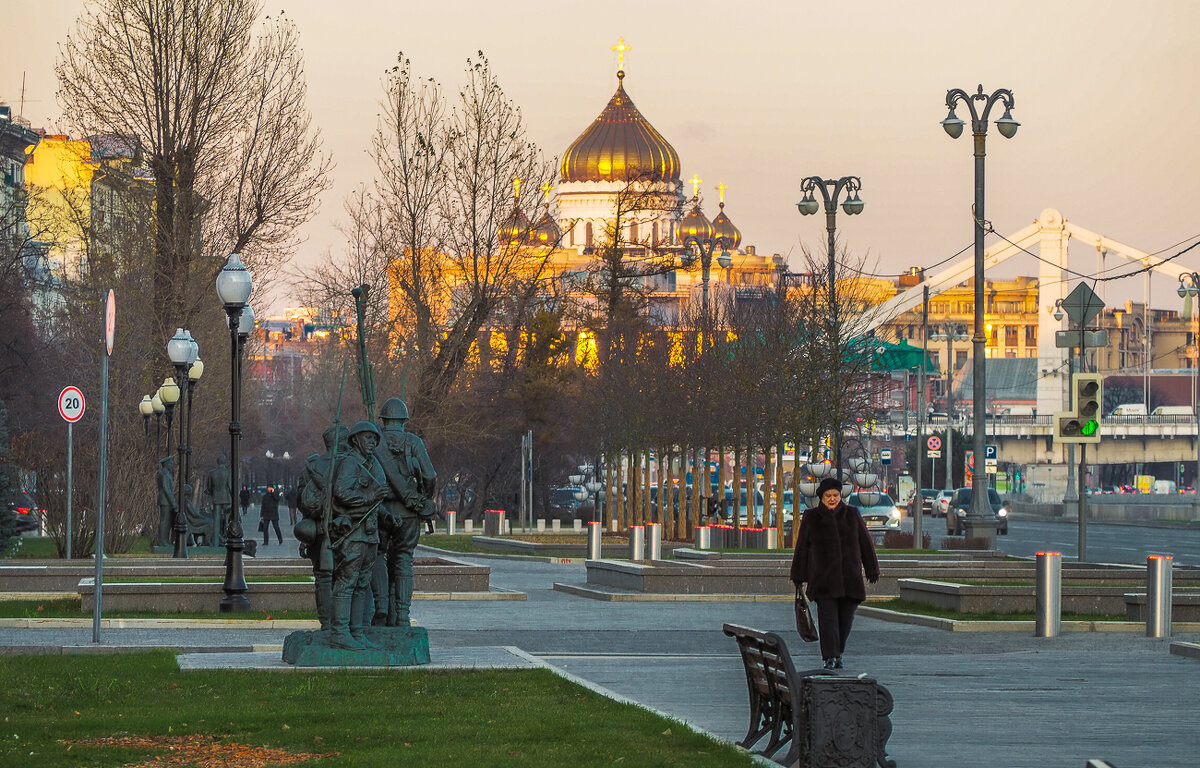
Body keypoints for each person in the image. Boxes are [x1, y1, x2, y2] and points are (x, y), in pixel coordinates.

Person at [790, 477, 880, 670]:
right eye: (828, 496)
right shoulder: (811, 517)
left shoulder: (852, 514)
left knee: (845, 622)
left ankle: (837, 652)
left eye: (836, 495)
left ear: (841, 496)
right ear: (821, 497)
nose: (832, 499)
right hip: (824, 579)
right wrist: (798, 575)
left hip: (850, 579)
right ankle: (830, 657)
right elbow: (802, 548)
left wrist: (872, 568)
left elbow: (865, 543)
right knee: (828, 621)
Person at [372, 397, 437, 627]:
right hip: (408, 512)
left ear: (384, 419)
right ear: (403, 420)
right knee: (404, 561)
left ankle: (379, 609)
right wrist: (424, 499)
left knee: (377, 557)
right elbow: (430, 476)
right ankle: (401, 616)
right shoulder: (414, 442)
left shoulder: (373, 441)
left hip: (377, 510)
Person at [330, 421, 388, 650]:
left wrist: (385, 514)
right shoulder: (350, 463)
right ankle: (339, 633)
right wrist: (370, 496)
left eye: (375, 439)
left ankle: (357, 632)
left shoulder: (372, 464)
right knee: (347, 582)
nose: (372, 442)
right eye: (368, 438)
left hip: (370, 532)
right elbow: (341, 493)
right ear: (356, 439)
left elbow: (376, 498)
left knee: (362, 583)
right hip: (353, 531)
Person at [295, 424, 348, 633]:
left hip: (317, 528)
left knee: (323, 578)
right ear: (343, 442)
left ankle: (326, 624)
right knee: (345, 577)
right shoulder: (349, 464)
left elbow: (301, 499)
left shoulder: (311, 465)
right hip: (345, 529)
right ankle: (341, 626)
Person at [205, 454, 232, 545]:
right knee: (228, 519)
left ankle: (216, 542)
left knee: (216, 519)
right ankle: (227, 539)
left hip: (216, 498)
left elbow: (209, 487)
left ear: (217, 462)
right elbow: (231, 487)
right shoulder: (228, 472)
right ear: (225, 461)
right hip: (226, 499)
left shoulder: (212, 473)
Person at [156, 456, 178, 548]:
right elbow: (166, 489)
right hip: (165, 500)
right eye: (171, 463)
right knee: (164, 521)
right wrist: (172, 502)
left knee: (167, 521)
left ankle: (165, 540)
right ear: (166, 464)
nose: (172, 465)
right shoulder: (164, 473)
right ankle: (162, 541)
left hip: (166, 500)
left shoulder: (166, 473)